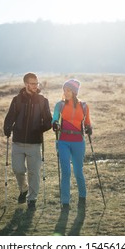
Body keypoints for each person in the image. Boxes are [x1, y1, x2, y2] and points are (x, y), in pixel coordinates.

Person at [3, 73, 52, 210]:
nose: (35, 86)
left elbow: (48, 121)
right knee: (18, 170)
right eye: (32, 83)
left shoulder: (43, 101)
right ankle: (23, 189)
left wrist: (40, 129)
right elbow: (10, 117)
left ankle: (32, 199)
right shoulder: (17, 100)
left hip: (34, 143)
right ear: (26, 84)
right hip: (18, 142)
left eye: (37, 83)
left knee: (34, 173)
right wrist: (7, 128)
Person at [52, 79, 92, 211]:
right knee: (66, 172)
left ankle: (83, 197)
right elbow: (55, 117)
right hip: (63, 141)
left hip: (78, 142)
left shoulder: (84, 106)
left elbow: (87, 122)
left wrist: (89, 128)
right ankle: (65, 202)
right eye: (64, 90)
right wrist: (55, 123)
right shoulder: (60, 105)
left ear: (74, 91)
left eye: (68, 90)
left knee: (78, 171)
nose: (66, 92)